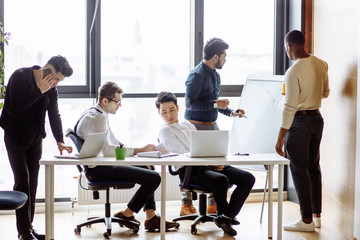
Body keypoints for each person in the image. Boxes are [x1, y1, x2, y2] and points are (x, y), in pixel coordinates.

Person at [75, 81, 179, 232]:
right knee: (154, 178)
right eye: (117, 101)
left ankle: (151, 218)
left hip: (102, 165)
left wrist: (140, 153)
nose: (120, 105)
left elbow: (114, 142)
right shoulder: (97, 118)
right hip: (99, 170)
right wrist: (138, 150)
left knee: (147, 166)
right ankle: (127, 214)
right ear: (105, 101)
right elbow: (108, 151)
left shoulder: (98, 114)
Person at [156, 91, 255, 236]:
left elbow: (202, 147)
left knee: (248, 178)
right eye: (164, 112)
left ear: (178, 108)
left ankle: (226, 216)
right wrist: (209, 162)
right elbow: (182, 155)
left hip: (207, 164)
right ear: (159, 113)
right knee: (221, 180)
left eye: (171, 110)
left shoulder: (187, 124)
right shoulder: (165, 131)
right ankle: (225, 217)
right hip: (190, 171)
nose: (169, 115)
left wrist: (215, 162)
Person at [0, 55, 74, 240]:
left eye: (59, 81)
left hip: (35, 139)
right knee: (22, 181)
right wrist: (38, 90)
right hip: (15, 138)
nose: (56, 83)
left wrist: (60, 140)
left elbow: (54, 113)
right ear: (47, 70)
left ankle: (29, 228)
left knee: (32, 184)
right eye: (56, 78)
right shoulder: (20, 77)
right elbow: (15, 107)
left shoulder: (51, 89)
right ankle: (23, 232)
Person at [275, 30, 330, 232]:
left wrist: (280, 138)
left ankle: (305, 221)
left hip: (300, 123)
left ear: (289, 46)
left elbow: (290, 108)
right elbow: (325, 93)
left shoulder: (293, 71)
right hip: (317, 119)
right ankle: (316, 217)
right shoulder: (321, 64)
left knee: (299, 170)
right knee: (314, 168)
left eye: (286, 47)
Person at [184, 37, 246, 214]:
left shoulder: (216, 75)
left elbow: (215, 103)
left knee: (218, 165)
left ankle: (215, 205)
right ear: (216, 56)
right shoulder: (196, 75)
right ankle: (186, 205)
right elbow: (189, 104)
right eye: (224, 56)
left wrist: (231, 112)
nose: (225, 60)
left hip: (212, 126)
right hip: (196, 127)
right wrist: (215, 105)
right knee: (194, 168)